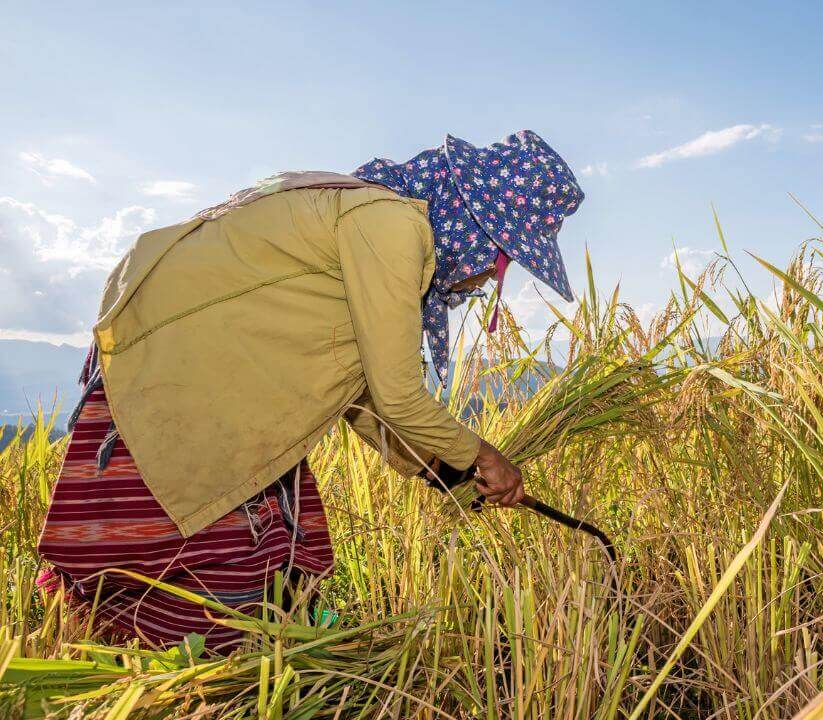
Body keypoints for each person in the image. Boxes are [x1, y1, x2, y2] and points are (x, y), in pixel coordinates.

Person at [36, 130, 584, 652]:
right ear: (478, 225)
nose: (489, 277)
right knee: (218, 564)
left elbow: (363, 399)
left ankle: (217, 676)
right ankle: (194, 684)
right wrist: (488, 457)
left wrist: (445, 476)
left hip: (218, 380)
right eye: (504, 258)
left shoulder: (380, 219)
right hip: (183, 376)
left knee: (280, 555)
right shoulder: (391, 224)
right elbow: (396, 396)